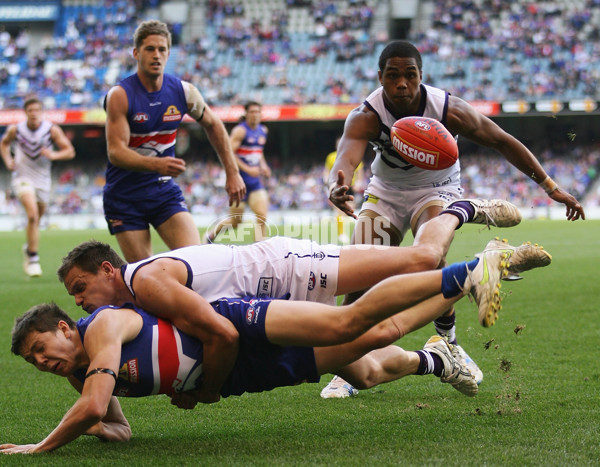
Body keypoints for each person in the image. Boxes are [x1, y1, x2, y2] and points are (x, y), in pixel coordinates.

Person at [3, 246, 533, 453]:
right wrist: (94, 424)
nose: (40, 361)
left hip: (238, 326)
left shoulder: (101, 325)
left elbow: (97, 406)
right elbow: (112, 422)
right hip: (240, 377)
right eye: (31, 361)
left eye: (38, 346)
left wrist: (41, 447)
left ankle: (468, 267)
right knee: (373, 348)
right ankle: (461, 294)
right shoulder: (84, 374)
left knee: (350, 320)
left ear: (66, 327)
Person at [325, 40, 584, 397]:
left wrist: (550, 186)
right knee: (358, 272)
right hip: (385, 191)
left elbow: (502, 140)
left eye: (410, 75)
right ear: (380, 78)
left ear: (422, 76)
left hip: (437, 186)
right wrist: (339, 183)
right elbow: (346, 158)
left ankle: (448, 341)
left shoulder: (448, 109)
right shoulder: (366, 115)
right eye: (393, 76)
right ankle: (352, 359)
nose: (402, 83)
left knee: (431, 257)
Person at [56, 233, 550, 404]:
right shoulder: (133, 304)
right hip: (259, 309)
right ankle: (439, 357)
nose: (81, 302)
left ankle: (466, 223)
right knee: (370, 363)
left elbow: (219, 331)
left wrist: (205, 388)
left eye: (81, 288)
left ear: (107, 269)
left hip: (275, 275)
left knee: (416, 262)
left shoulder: (144, 283)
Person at [103, 20, 245, 262]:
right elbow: (116, 152)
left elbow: (214, 124)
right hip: (124, 196)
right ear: (136, 53)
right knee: (144, 276)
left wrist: (232, 173)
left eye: (162, 49)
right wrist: (157, 164)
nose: (156, 55)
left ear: (169, 53)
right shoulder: (120, 95)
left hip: (162, 189)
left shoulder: (183, 91)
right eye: (149, 49)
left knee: (196, 263)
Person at [0, 96, 75, 277]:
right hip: (22, 177)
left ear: (42, 112)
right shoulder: (16, 130)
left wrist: (52, 155)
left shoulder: (51, 130)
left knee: (37, 219)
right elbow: (4, 144)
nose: (33, 114)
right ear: (25, 113)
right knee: (32, 215)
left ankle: (28, 247)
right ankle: (33, 258)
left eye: (36, 110)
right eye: (30, 110)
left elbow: (69, 151)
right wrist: (8, 160)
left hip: (43, 180)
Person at [205, 101, 272, 243]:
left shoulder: (263, 130)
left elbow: (258, 152)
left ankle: (260, 251)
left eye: (258, 112)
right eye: (252, 112)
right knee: (236, 222)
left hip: (254, 182)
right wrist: (248, 169)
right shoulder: (240, 131)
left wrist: (263, 165)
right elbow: (228, 153)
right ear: (246, 114)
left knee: (262, 216)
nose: (255, 115)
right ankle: (211, 234)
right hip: (238, 181)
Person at [322, 136, 365, 243]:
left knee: (352, 209)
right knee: (339, 210)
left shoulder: (353, 154)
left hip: (351, 186)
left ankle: (355, 233)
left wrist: (359, 182)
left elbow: (360, 170)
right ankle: (341, 234)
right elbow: (327, 170)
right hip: (338, 186)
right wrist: (327, 181)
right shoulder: (331, 157)